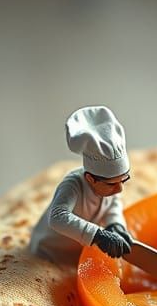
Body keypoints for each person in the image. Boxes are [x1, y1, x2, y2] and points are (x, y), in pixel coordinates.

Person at [30, 105, 133, 266]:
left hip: (81, 253)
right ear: (90, 179)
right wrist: (98, 235)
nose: (119, 189)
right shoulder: (72, 185)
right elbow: (57, 217)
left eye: (123, 180)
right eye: (112, 183)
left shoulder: (110, 187)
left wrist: (115, 225)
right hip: (50, 253)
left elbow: (113, 205)